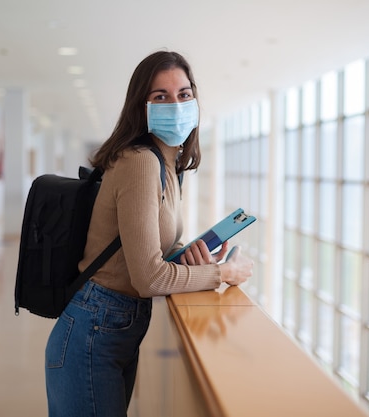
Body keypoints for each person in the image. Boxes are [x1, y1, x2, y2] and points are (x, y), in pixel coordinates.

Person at [45, 50, 254, 417]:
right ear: (140, 106)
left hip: (113, 327)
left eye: (184, 94)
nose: (176, 104)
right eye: (161, 97)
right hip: (94, 328)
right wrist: (223, 273)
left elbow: (149, 248)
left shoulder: (168, 164)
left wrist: (185, 255)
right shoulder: (140, 162)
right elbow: (149, 278)